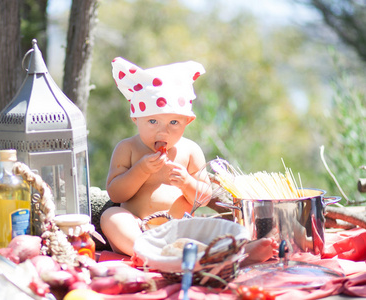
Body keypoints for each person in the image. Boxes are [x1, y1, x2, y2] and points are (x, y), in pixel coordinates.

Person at [100, 57, 278, 263]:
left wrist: (186, 182)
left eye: (174, 122)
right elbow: (116, 193)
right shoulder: (127, 148)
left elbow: (203, 197)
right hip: (137, 229)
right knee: (112, 216)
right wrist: (140, 170)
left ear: (188, 121)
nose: (163, 130)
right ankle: (148, 254)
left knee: (213, 225)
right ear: (135, 119)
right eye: (152, 121)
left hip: (182, 229)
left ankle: (239, 252)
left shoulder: (190, 150)